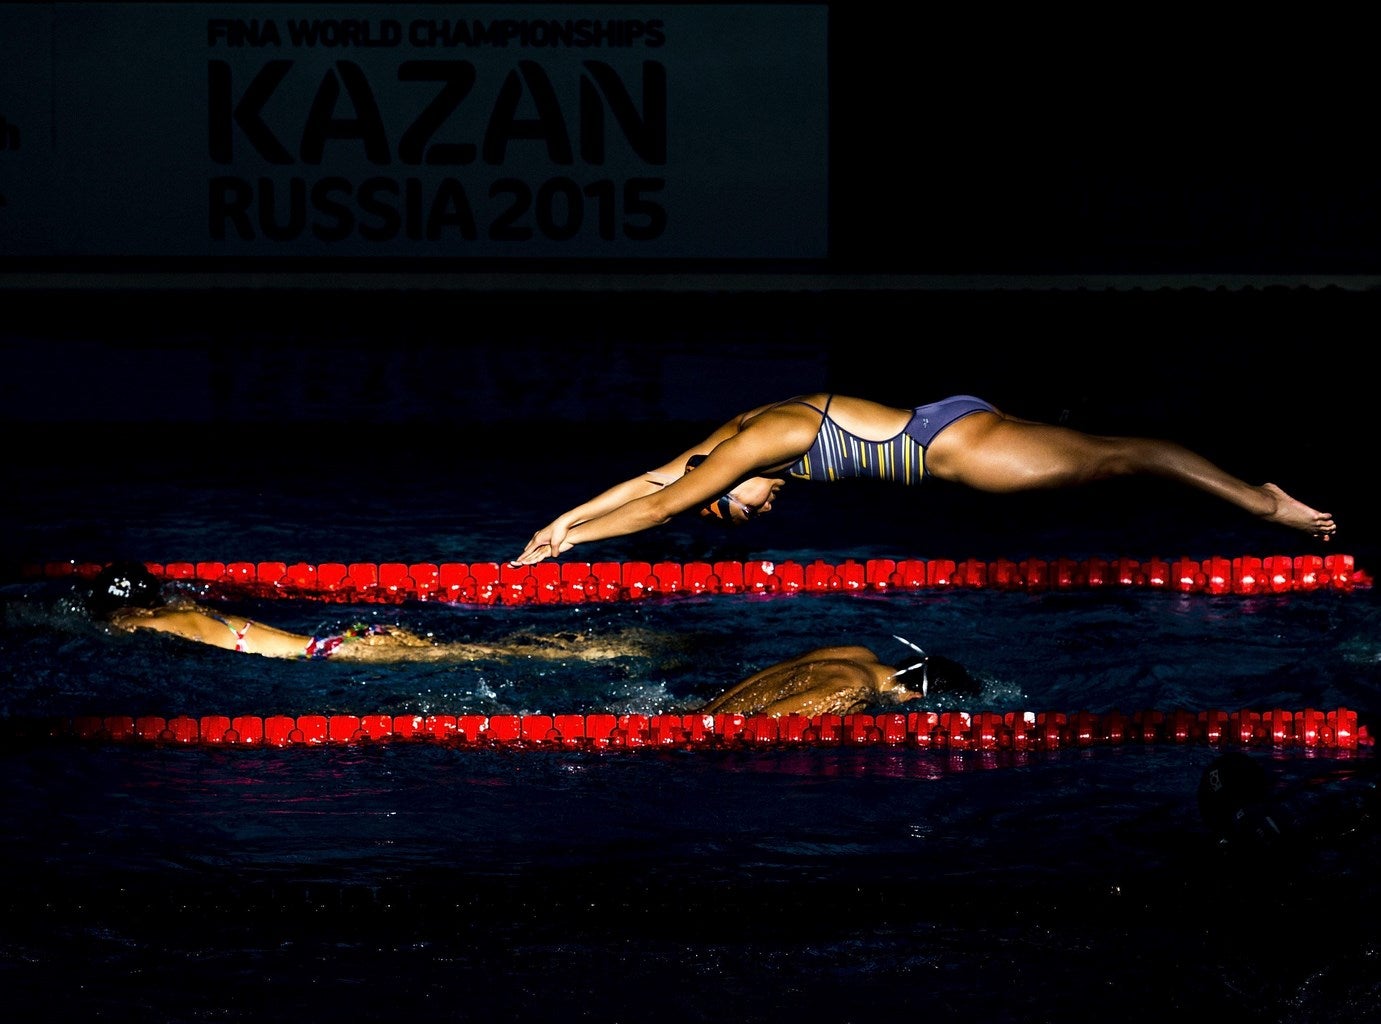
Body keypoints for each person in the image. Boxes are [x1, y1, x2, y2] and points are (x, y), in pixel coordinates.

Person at [511, 393, 1336, 565]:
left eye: (734, 513)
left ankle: (1263, 503)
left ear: (722, 481)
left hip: (957, 449)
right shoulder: (728, 439)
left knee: (1130, 454)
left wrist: (568, 547)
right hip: (949, 432)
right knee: (1108, 453)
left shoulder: (749, 446)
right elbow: (651, 480)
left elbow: (661, 508)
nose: (751, 514)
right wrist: (565, 518)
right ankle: (1254, 496)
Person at [85, 561, 652, 663]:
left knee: (490, 655)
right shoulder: (186, 608)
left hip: (341, 651)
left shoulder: (157, 622)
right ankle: (594, 645)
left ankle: (604, 649)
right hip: (345, 638)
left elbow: (127, 623)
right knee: (487, 650)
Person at [695, 637, 981, 717]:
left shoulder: (857, 653)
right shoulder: (853, 695)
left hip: (698, 709)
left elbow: (765, 676)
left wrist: (702, 711)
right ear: (915, 698)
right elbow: (762, 723)